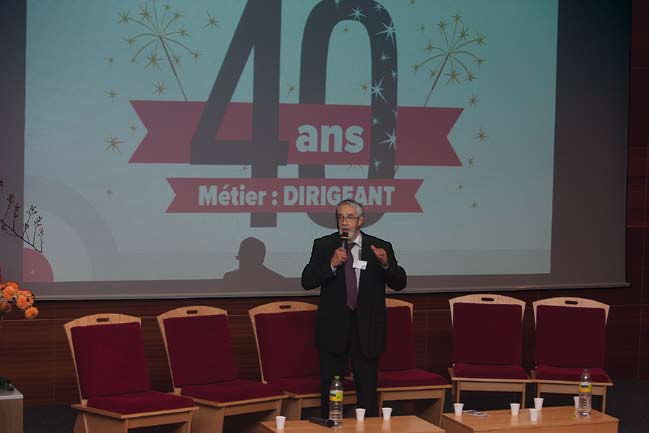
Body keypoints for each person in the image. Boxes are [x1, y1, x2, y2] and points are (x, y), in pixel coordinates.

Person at [301, 199, 407, 418]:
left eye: (349, 217)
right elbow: (307, 281)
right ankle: (330, 426)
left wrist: (387, 265)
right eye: (340, 217)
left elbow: (399, 283)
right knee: (330, 392)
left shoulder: (379, 247)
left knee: (367, 392)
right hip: (333, 330)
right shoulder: (323, 245)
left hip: (367, 331)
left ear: (360, 220)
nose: (344, 223)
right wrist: (330, 264)